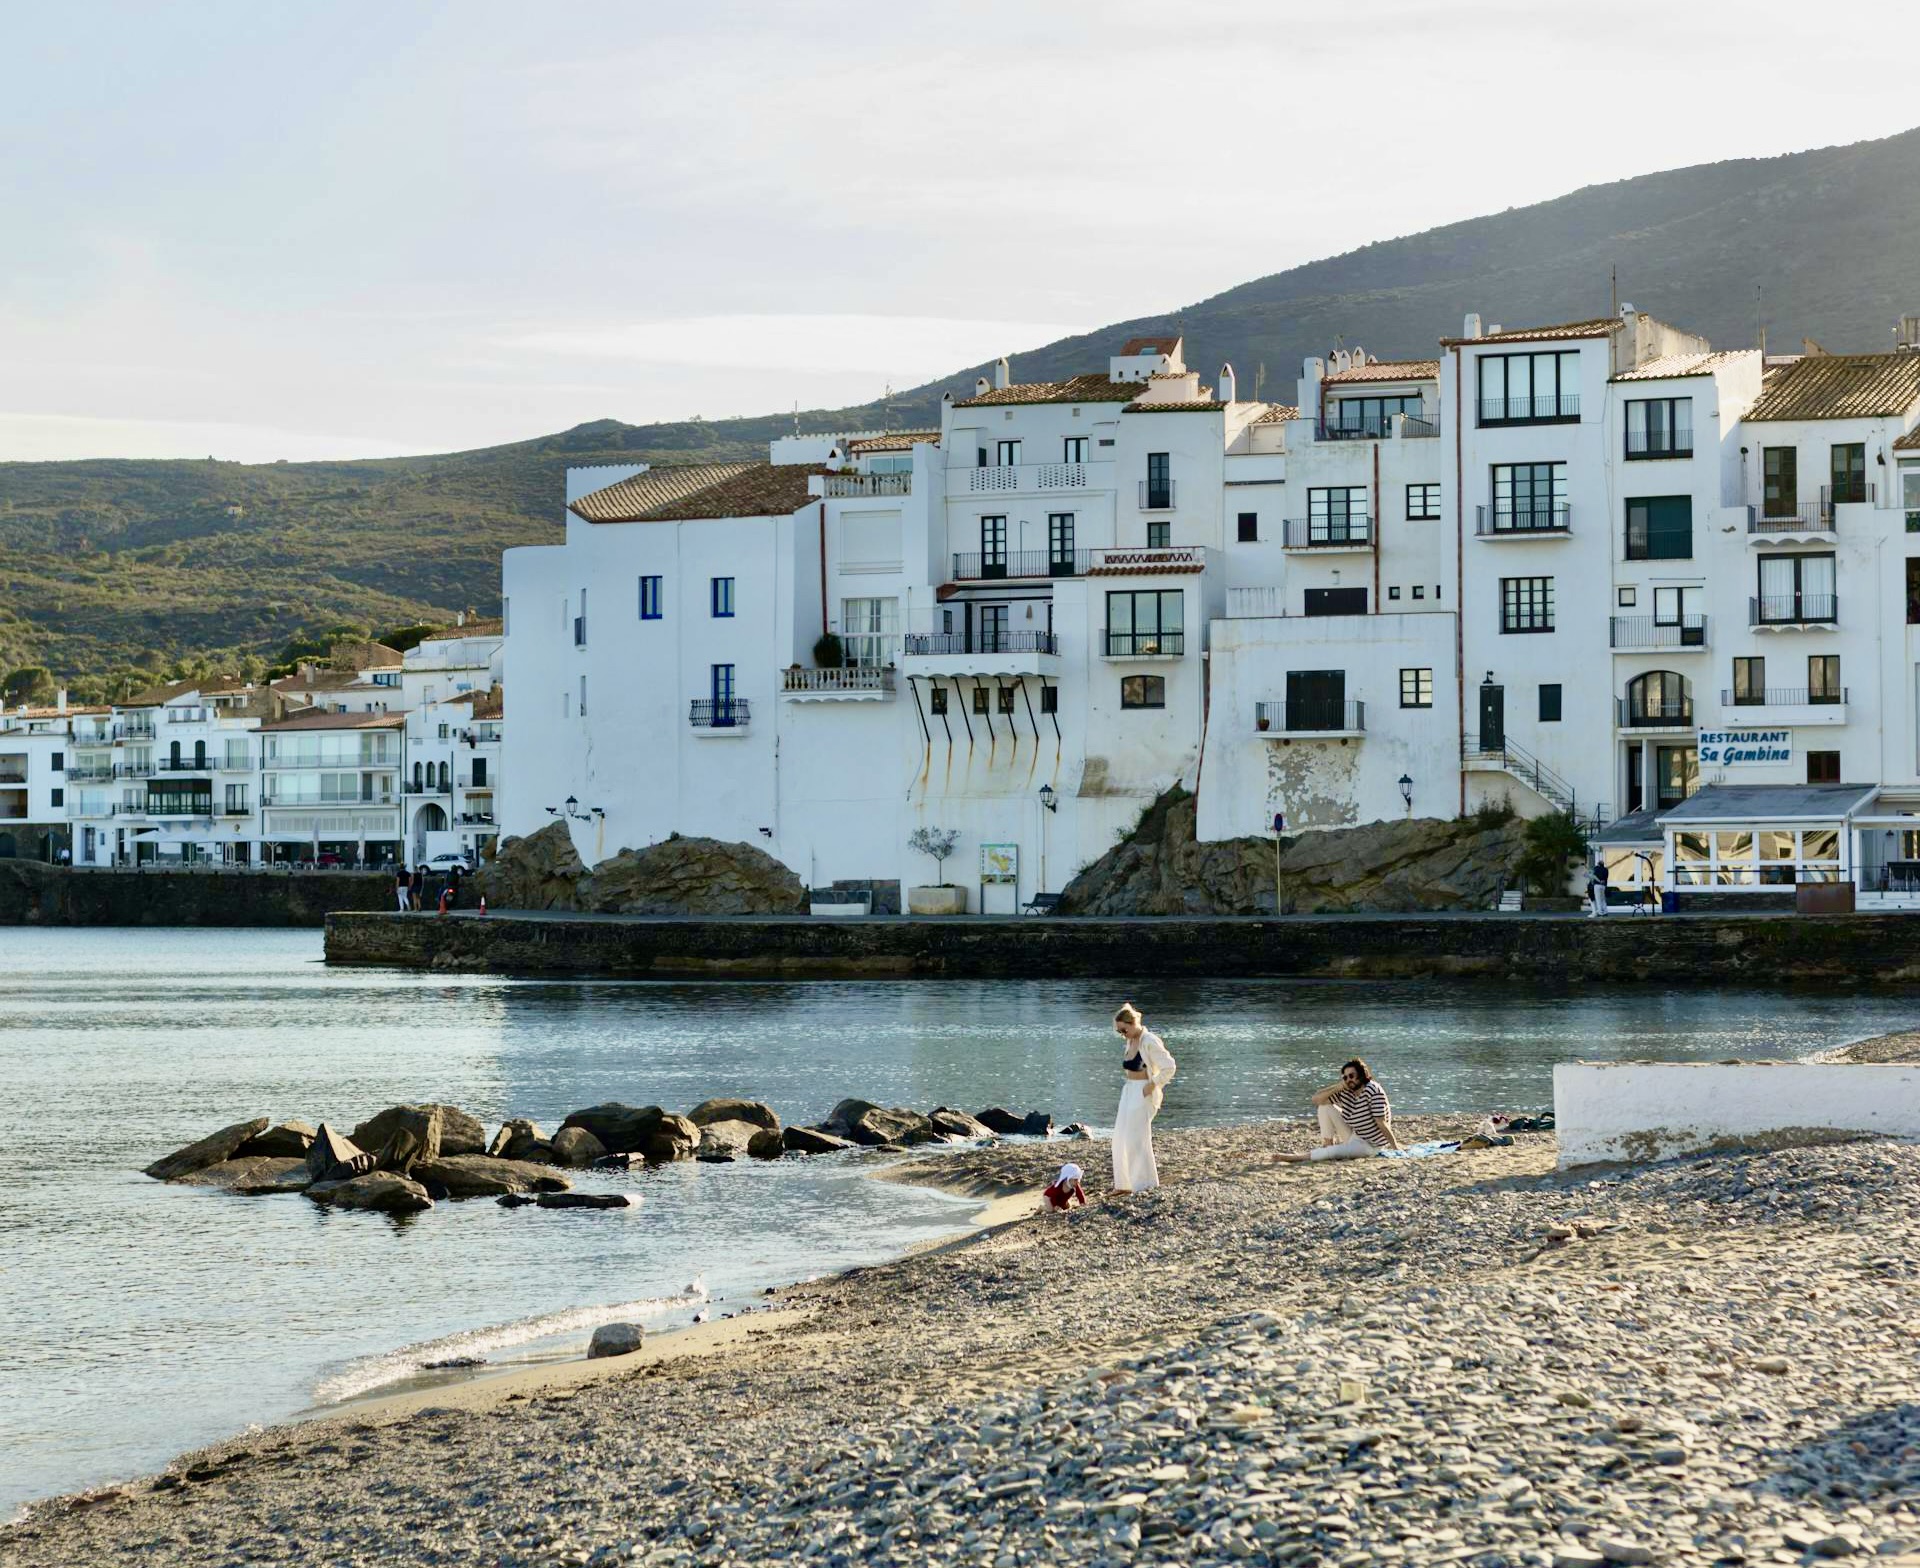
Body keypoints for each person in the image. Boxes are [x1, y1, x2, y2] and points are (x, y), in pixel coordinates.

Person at [1274, 1058, 1403, 1163]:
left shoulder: (1373, 1091)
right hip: (1355, 1135)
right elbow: (1317, 1099)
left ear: (1361, 1075)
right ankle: (1327, 1144)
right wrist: (1338, 1087)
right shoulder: (1346, 1090)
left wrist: (1395, 1148)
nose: (1348, 1080)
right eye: (1345, 1077)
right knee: (1324, 1106)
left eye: (1351, 1076)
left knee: (1335, 1153)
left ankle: (1295, 1158)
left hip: (1370, 1145)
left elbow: (1382, 1123)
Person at [1111, 1001, 1175, 1194]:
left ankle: (1144, 1185)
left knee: (1137, 1139)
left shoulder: (1149, 1040)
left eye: (1124, 1030)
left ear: (1133, 1023)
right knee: (1120, 1138)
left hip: (1142, 1091)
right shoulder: (1130, 1041)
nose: (1123, 1035)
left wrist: (1152, 1085)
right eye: (1120, 1032)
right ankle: (1123, 1185)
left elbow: (1169, 1066)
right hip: (1128, 1090)